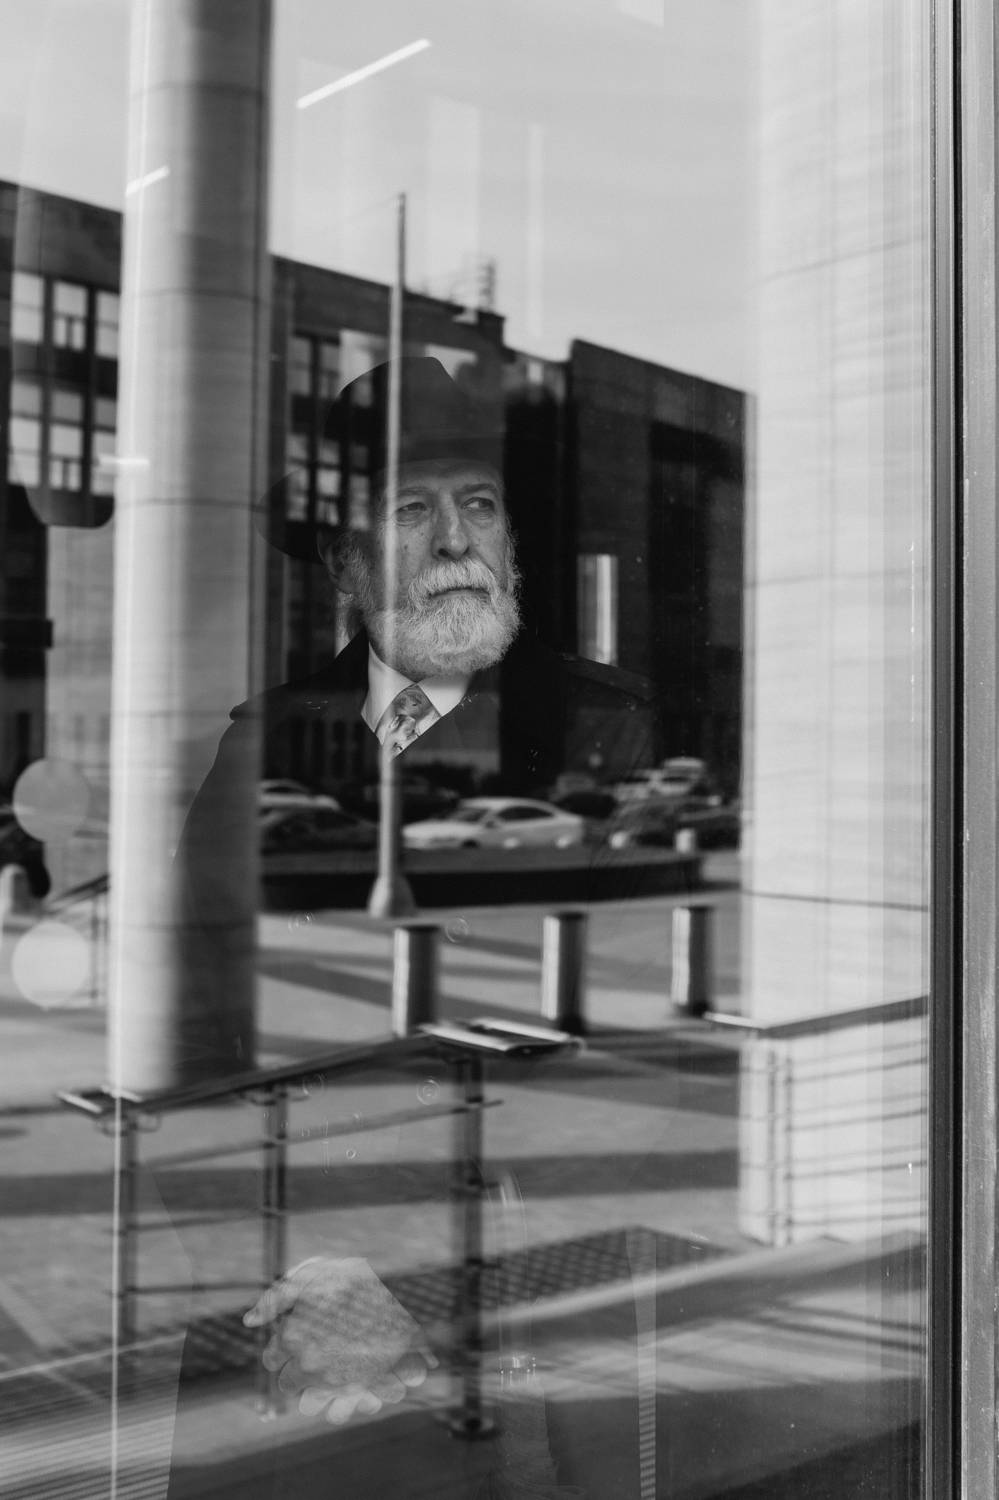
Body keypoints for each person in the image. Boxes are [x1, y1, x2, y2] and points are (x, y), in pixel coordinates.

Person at [169, 357, 661, 1497]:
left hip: (526, 1286)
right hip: (295, 1297)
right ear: (348, 567)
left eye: (478, 505)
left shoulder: (606, 728)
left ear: (513, 545)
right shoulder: (264, 742)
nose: (453, 541)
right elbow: (187, 1036)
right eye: (408, 510)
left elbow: (637, 1055)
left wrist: (418, 1282)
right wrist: (308, 1264)